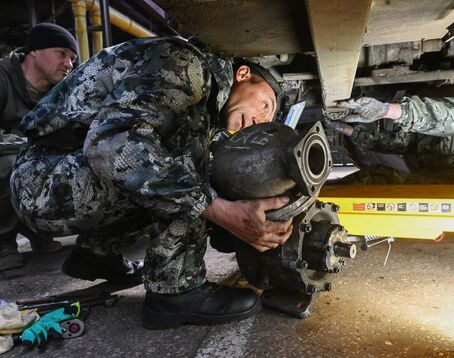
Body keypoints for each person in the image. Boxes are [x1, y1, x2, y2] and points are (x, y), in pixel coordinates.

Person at [9, 36, 293, 329]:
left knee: (180, 168)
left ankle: (96, 255)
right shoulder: (188, 65)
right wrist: (218, 210)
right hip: (42, 182)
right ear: (243, 75)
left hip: (56, 175)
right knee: (184, 162)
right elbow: (112, 144)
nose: (262, 119)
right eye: (265, 104)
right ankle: (175, 291)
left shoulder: (209, 102)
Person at [0, 23, 78, 271]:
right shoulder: (2, 78)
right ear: (34, 51)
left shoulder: (64, 89)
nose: (69, 63)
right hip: (6, 157)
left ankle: (37, 229)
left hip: (33, 154)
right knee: (10, 165)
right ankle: (3, 241)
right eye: (62, 53)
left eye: (72, 59)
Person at [325, 95, 454, 185]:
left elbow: (406, 144)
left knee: (370, 181)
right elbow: (449, 117)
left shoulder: (437, 184)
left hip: (450, 187)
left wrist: (348, 130)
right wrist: (390, 111)